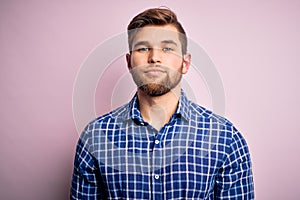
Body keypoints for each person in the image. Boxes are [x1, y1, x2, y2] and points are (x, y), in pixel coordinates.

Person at [70, 8, 254, 199]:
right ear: (129, 62)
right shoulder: (95, 137)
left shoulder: (226, 138)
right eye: (143, 48)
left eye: (167, 48)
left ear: (185, 63)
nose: (154, 57)